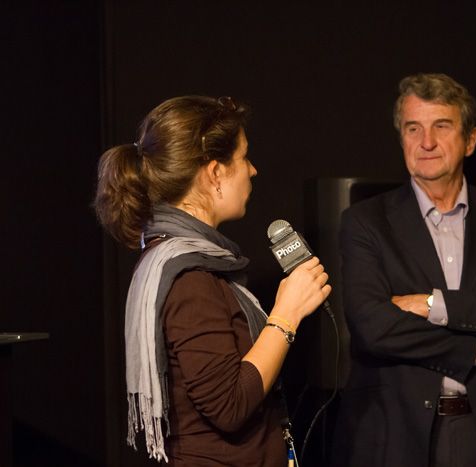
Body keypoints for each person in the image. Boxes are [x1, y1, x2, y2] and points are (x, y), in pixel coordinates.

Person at [331, 74, 476, 466]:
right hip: (399, 435)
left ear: (470, 140)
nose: (427, 142)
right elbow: (373, 327)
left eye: (441, 126)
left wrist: (431, 304)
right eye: (413, 128)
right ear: (401, 138)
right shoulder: (365, 222)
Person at [94, 95, 331, 466]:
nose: (252, 170)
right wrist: (287, 314)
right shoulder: (190, 277)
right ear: (215, 173)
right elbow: (229, 406)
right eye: (243, 157)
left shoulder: (184, 261)